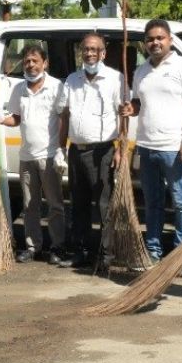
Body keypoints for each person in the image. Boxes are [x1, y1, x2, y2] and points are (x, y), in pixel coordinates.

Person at [121, 19, 182, 271]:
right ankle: (153, 251)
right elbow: (138, 103)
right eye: (150, 39)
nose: (155, 43)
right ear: (145, 44)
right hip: (146, 146)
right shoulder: (141, 70)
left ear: (170, 40)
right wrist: (129, 109)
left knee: (181, 202)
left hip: (174, 147)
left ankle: (181, 257)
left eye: (160, 38)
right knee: (152, 202)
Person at [0, 45, 64, 263]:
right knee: (30, 205)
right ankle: (33, 247)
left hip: (49, 155)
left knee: (55, 205)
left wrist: (61, 148)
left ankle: (58, 247)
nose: (30, 65)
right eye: (27, 61)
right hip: (26, 156)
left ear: (45, 63)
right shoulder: (19, 88)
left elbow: (63, 119)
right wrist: (1, 118)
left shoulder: (56, 86)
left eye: (35, 61)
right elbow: (16, 118)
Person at [54, 34, 123, 269]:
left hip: (102, 151)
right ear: (80, 52)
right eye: (86, 49)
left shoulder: (115, 79)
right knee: (78, 203)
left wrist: (119, 149)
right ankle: (81, 251)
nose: (90, 53)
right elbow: (64, 116)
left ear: (103, 53)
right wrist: (60, 149)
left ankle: (106, 256)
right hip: (76, 151)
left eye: (95, 49)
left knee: (104, 205)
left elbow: (123, 115)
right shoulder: (72, 80)